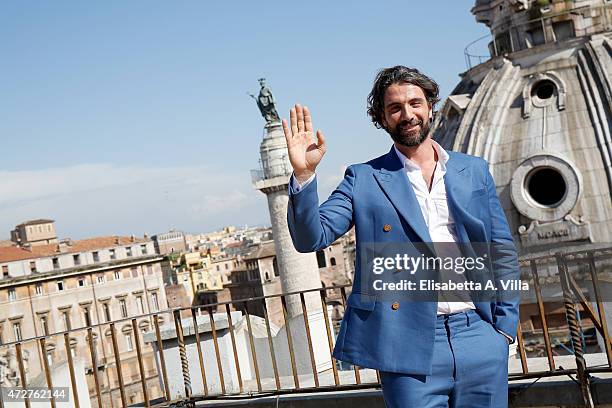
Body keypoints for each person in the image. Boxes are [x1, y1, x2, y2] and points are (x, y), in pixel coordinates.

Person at [283, 66, 519, 408]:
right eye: (395, 108)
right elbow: (311, 238)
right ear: (382, 118)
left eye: (415, 103)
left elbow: (502, 250)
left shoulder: (473, 170)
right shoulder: (363, 178)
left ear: (430, 106)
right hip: (407, 347)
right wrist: (304, 175)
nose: (407, 114)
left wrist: (503, 328)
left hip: (479, 336)